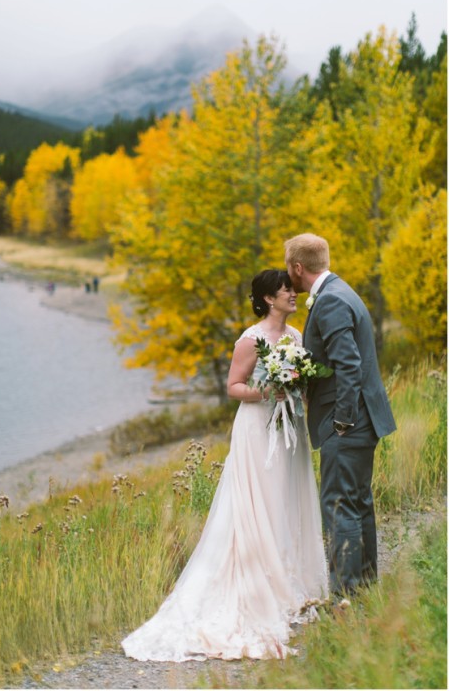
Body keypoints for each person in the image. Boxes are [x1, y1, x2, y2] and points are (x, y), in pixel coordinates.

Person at [121, 269, 327, 661]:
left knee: (287, 499)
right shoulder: (250, 340)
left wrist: (296, 385)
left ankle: (289, 579)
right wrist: (267, 389)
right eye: (286, 290)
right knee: (258, 502)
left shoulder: (296, 337)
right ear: (268, 298)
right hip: (257, 429)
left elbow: (303, 379)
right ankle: (258, 582)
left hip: (289, 430)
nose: (292, 294)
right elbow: (233, 386)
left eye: (291, 288)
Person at [285, 233, 396, 596]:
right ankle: (364, 586)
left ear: (298, 267)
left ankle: (345, 596)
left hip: (349, 422)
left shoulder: (330, 301)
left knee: (338, 506)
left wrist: (342, 421)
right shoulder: (342, 290)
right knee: (358, 502)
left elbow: (349, 365)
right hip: (365, 418)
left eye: (289, 267)